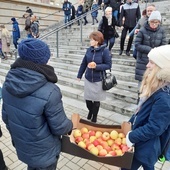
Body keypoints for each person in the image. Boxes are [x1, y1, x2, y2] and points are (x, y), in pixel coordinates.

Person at [2, 38, 73, 170]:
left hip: (24, 147)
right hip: (45, 152)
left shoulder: (8, 83)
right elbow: (60, 127)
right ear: (41, 60)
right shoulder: (50, 90)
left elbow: (6, 118)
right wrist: (71, 125)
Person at [121, 45, 170, 170]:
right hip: (141, 141)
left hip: (147, 145)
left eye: (152, 63)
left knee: (134, 165)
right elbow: (141, 111)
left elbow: (155, 127)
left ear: (162, 68)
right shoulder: (156, 86)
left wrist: (131, 136)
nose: (147, 65)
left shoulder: (164, 96)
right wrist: (130, 122)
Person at [77, 31, 112, 123]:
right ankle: (90, 111)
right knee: (88, 99)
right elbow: (84, 63)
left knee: (96, 101)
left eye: (91, 40)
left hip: (98, 79)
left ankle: (94, 116)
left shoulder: (105, 51)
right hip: (88, 78)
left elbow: (108, 65)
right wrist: (79, 75)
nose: (90, 41)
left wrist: (96, 66)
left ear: (97, 41)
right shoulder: (89, 50)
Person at [135, 11, 166, 90]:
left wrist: (157, 51)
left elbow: (163, 45)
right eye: (153, 22)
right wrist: (151, 50)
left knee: (153, 85)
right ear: (149, 21)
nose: (154, 24)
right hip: (143, 60)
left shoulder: (162, 31)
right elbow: (137, 45)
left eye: (157, 22)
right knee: (142, 85)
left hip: (156, 62)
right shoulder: (142, 30)